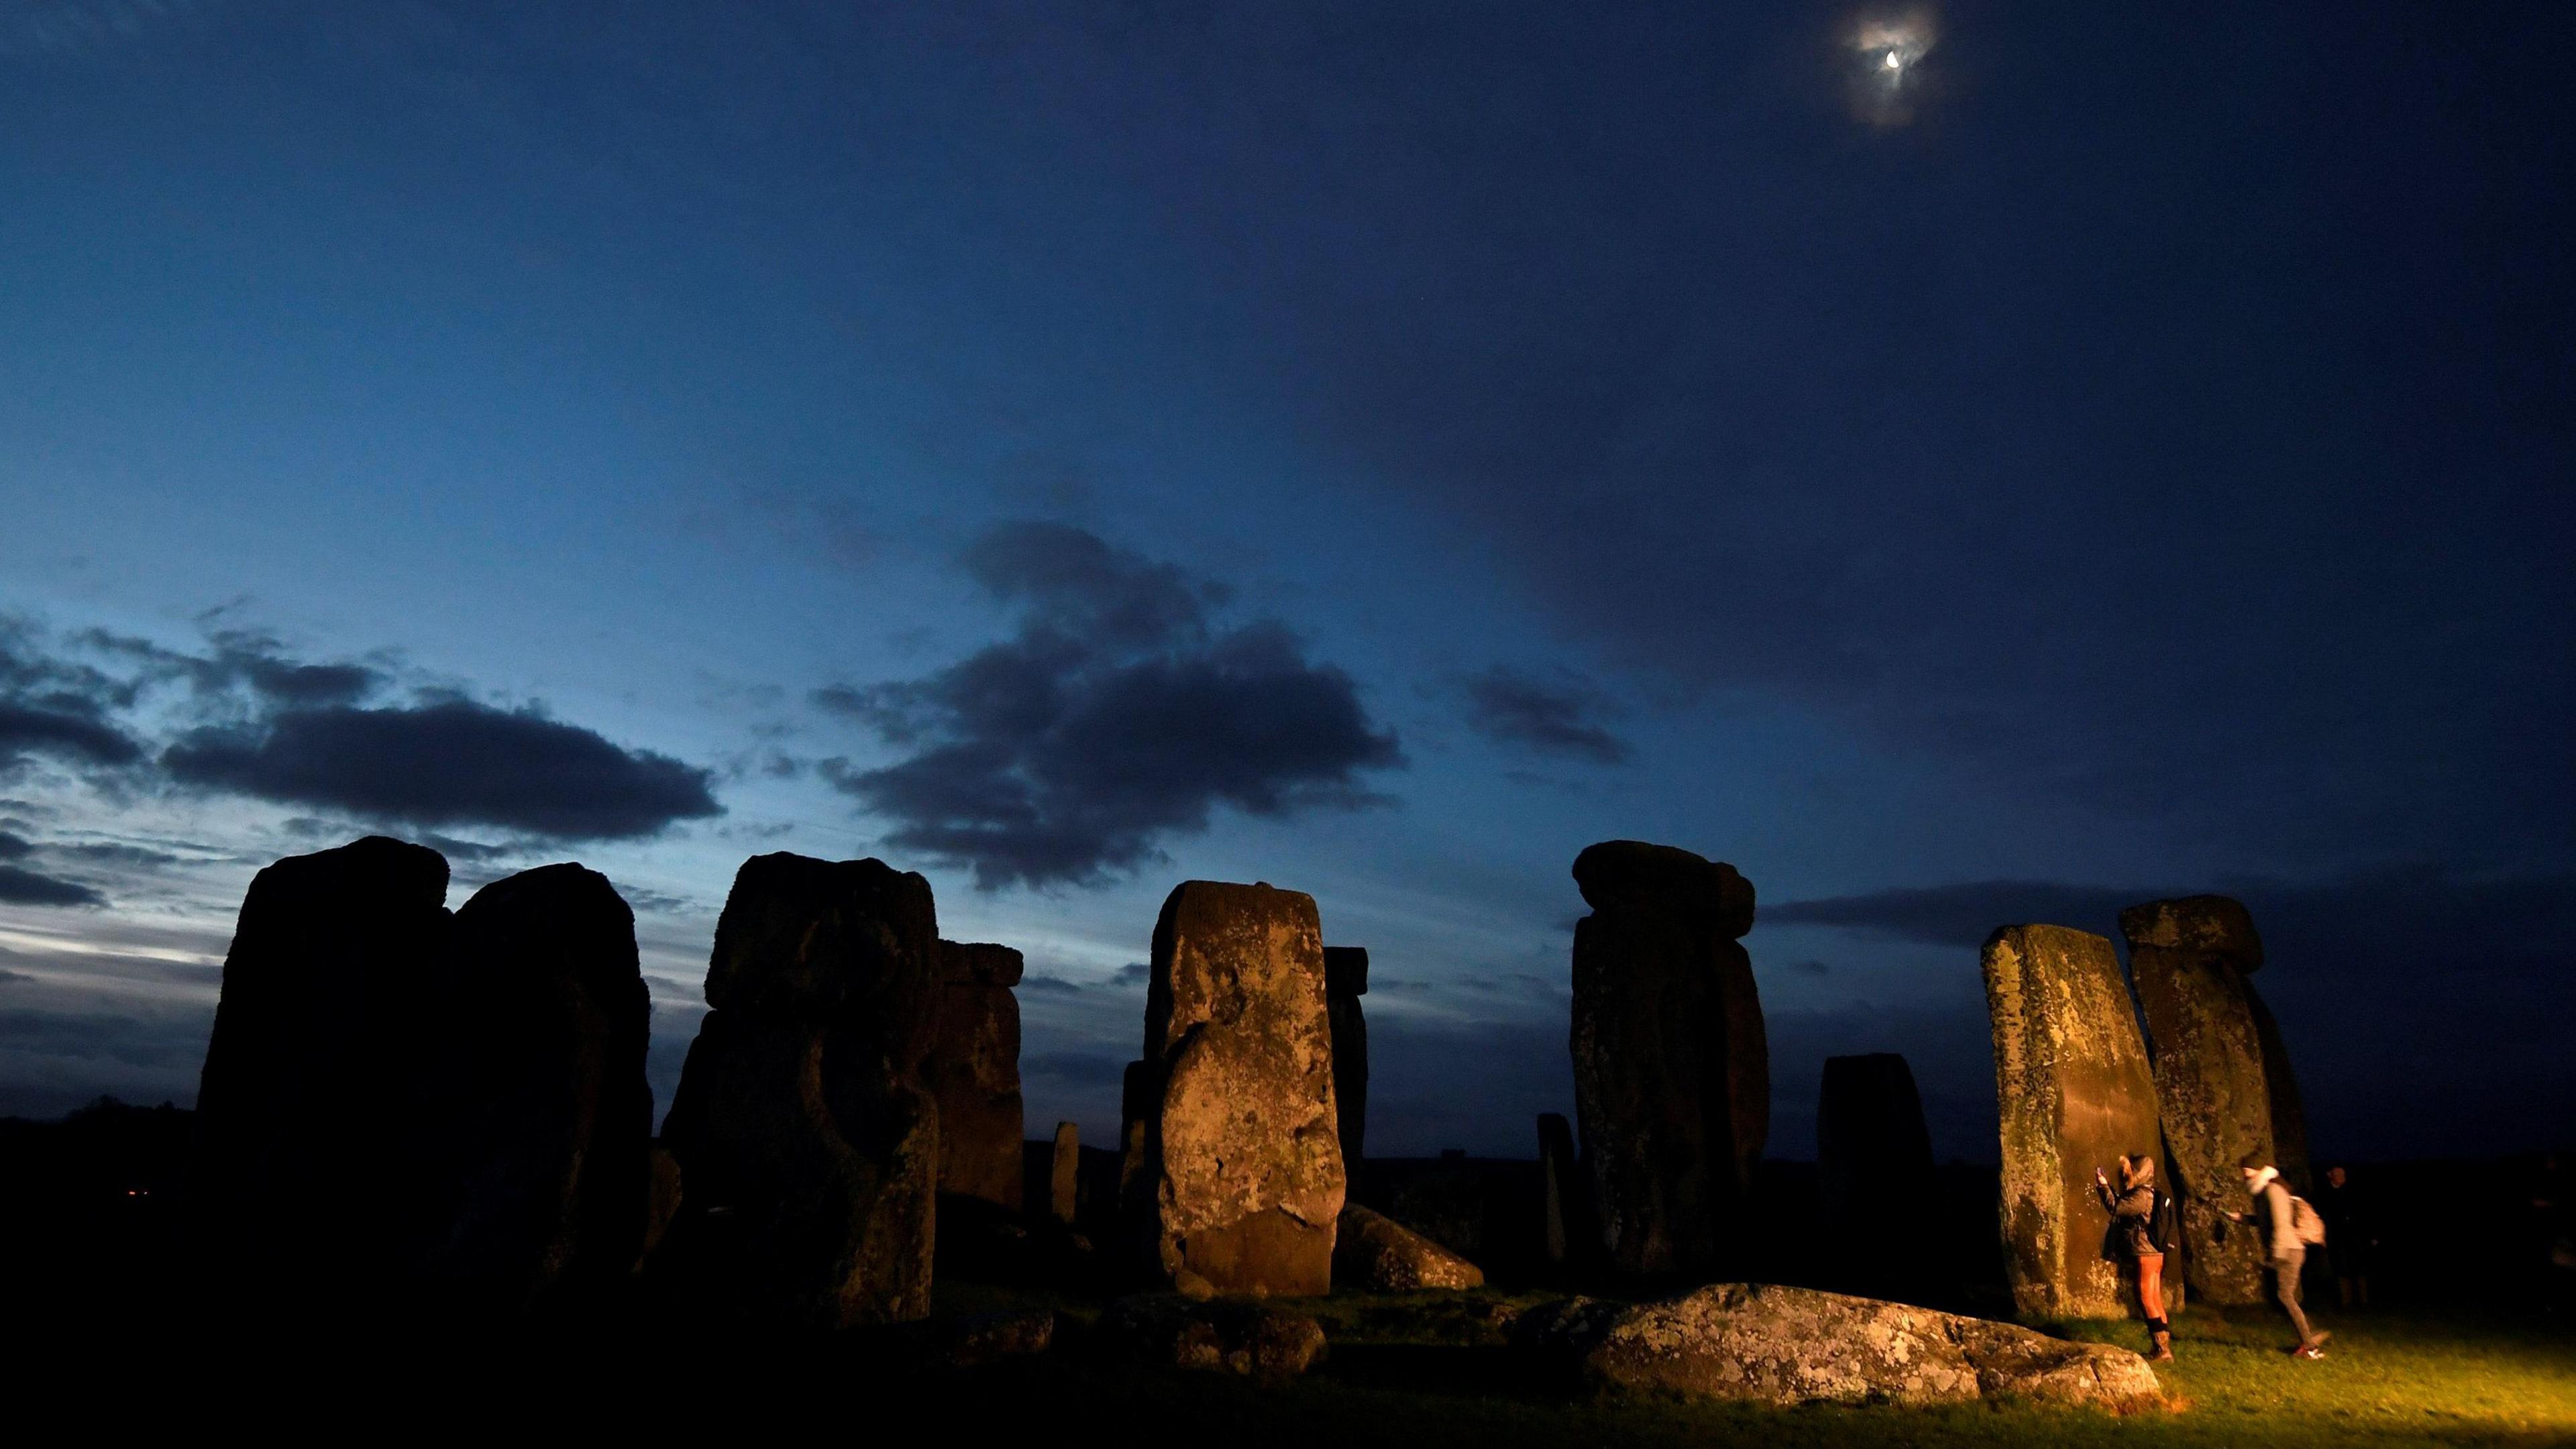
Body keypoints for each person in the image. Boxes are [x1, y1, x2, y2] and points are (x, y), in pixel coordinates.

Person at [2229, 1152, 2330, 1358]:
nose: (2244, 1173)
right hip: (2287, 1249)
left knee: (2284, 1297)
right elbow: (2265, 1220)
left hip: (2288, 1250)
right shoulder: (2262, 1191)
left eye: (2246, 1169)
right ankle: (2310, 1336)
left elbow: (2280, 1224)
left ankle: (2310, 1346)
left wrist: (2276, 1254)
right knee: (2283, 1297)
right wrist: (2242, 1218)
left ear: (2257, 1170)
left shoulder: (2273, 1190)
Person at [2095, 1153, 2171, 1360]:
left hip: (2146, 1252)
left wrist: (2103, 1186)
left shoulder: (2141, 1195)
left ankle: (2161, 1349)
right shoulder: (2152, 1194)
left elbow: (2117, 1208)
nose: (2126, 1177)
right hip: (2155, 1253)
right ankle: (2163, 1347)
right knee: (2154, 1297)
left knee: (2146, 1297)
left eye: (2130, 1173)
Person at [2315, 1165, 2373, 1309]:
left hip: (2354, 1236)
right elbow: (2322, 1215)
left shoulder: (2352, 1191)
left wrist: (2368, 1235)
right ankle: (2345, 1301)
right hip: (2336, 1237)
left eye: (2343, 1175)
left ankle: (2363, 1301)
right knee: (2341, 1268)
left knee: (2359, 1267)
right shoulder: (2324, 1193)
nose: (2343, 1178)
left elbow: (2362, 1213)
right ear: (2331, 1175)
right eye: (2339, 1175)